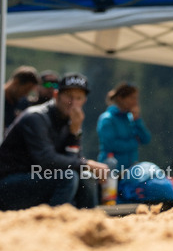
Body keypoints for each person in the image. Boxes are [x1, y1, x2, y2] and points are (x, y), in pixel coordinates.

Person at [0, 73, 109, 210]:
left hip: (37, 179)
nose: (73, 103)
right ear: (56, 95)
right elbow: (46, 159)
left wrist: (74, 134)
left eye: (78, 98)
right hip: (8, 185)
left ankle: (88, 224)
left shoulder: (70, 121)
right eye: (69, 96)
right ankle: (54, 224)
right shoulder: (36, 117)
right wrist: (86, 163)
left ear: (84, 101)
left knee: (85, 177)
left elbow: (71, 160)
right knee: (68, 177)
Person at [96, 83, 151, 170]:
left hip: (130, 169)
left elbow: (146, 139)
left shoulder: (130, 118)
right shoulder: (107, 119)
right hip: (111, 170)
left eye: (136, 98)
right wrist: (135, 142)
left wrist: (137, 119)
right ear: (120, 98)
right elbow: (111, 145)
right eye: (132, 98)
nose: (135, 102)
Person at [3, 65, 40, 131]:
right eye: (26, 90)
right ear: (16, 82)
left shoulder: (23, 103)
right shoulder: (2, 99)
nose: (26, 94)